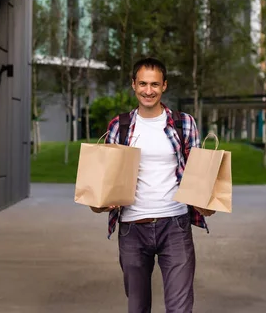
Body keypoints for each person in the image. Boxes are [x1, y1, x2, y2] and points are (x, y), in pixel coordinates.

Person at [91, 57, 214, 312]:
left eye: (155, 84)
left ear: (164, 86)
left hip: (175, 225)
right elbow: (106, 180)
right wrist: (101, 204)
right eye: (143, 84)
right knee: (137, 307)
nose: (149, 90)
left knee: (180, 308)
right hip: (132, 227)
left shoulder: (184, 123)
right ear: (134, 85)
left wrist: (205, 202)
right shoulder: (120, 126)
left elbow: (199, 174)